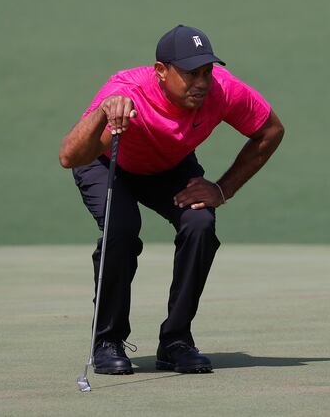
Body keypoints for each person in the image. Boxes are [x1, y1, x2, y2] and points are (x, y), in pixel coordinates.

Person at [58, 25, 284, 375]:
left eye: (207, 71)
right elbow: (70, 156)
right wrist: (104, 112)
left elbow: (270, 131)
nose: (202, 82)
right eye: (191, 73)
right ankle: (107, 341)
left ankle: (176, 341)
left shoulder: (222, 90)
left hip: (169, 165)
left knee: (200, 223)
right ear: (161, 71)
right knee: (122, 229)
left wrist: (223, 189)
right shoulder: (127, 90)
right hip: (107, 163)